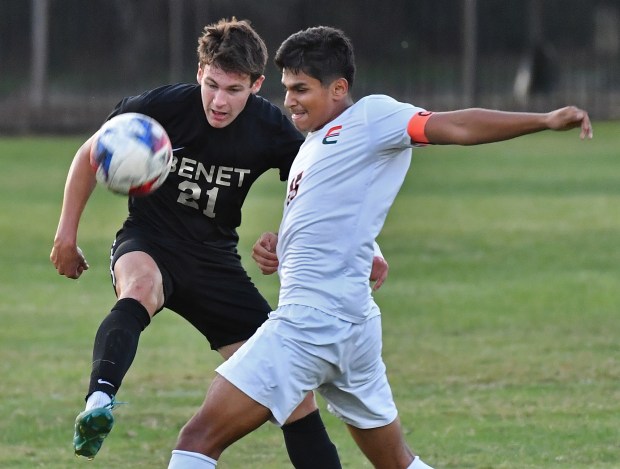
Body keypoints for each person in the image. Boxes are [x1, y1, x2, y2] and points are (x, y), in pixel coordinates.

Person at [166, 24, 593, 469]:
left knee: (197, 440)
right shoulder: (314, 142)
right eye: (286, 87)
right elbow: (337, 213)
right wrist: (283, 244)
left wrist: (542, 120)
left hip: (311, 325)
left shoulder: (372, 117)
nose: (289, 99)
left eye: (301, 89)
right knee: (398, 463)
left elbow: (458, 125)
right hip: (353, 326)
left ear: (339, 88)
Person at [51, 18, 389, 466]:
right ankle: (99, 400)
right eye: (212, 85)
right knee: (140, 289)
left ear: (257, 84)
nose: (219, 100)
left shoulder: (270, 127)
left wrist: (371, 248)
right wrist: (66, 235)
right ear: (199, 73)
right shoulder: (162, 107)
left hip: (216, 262)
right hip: (150, 240)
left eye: (234, 89)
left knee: (292, 395)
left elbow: (326, 189)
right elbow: (92, 153)